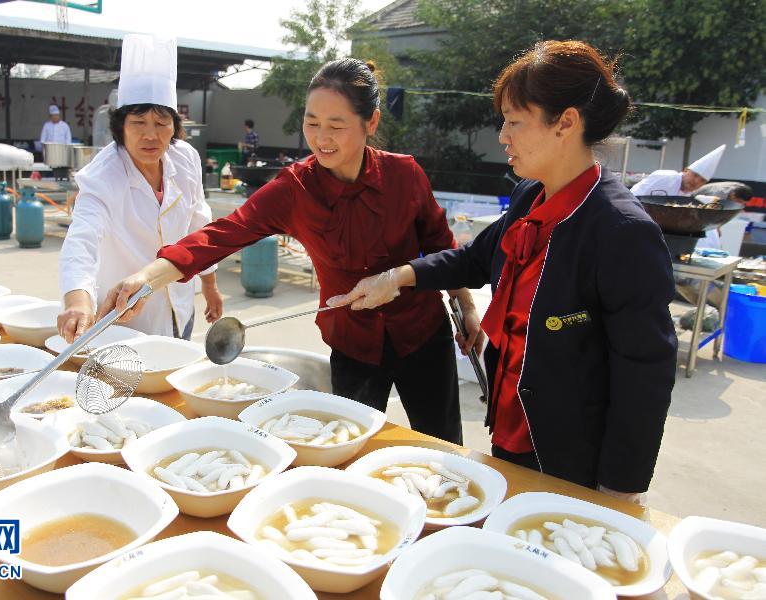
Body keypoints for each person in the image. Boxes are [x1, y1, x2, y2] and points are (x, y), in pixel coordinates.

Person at [329, 41, 678, 501]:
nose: (502, 135)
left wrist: (619, 490)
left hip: (573, 457)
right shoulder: (531, 197)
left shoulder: (619, 231)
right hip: (512, 426)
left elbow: (644, 374)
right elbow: (474, 260)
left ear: (566, 123)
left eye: (514, 121)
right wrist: (397, 278)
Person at [97, 58, 483, 445]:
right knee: (349, 445)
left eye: (336, 126)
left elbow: (439, 244)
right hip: (353, 345)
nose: (321, 138)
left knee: (443, 443)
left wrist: (464, 304)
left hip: (422, 334)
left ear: (372, 123)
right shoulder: (294, 189)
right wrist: (145, 278)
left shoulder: (404, 175)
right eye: (312, 123)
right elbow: (221, 235)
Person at [57, 34, 223, 342]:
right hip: (129, 320)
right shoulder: (102, 175)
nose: (150, 135)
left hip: (180, 306)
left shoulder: (185, 159)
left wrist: (210, 285)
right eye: (138, 123)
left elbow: (201, 224)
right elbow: (81, 240)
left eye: (161, 124)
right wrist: (77, 301)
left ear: (175, 127)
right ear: (120, 126)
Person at [630, 144, 725, 197]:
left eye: (702, 180)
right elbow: (636, 194)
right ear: (686, 170)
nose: (696, 181)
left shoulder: (689, 196)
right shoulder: (666, 177)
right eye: (695, 175)